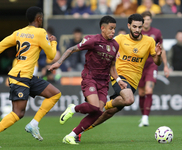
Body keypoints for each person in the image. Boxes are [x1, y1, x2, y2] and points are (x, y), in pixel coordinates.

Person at [73, 13, 163, 142]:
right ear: (129, 26)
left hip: (133, 82)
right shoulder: (119, 39)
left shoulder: (149, 41)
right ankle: (104, 105)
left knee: (109, 113)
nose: (137, 30)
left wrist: (158, 55)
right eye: (134, 26)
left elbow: (157, 62)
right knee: (129, 99)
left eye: (139, 27)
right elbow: (105, 47)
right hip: (119, 77)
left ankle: (78, 132)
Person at [48, 15, 127, 145]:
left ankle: (71, 135)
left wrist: (118, 80)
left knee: (98, 112)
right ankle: (73, 109)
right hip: (90, 78)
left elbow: (112, 67)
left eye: (114, 29)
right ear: (103, 28)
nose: (113, 31)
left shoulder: (115, 45)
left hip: (104, 82)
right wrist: (59, 62)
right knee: (95, 107)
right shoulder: (93, 40)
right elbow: (71, 49)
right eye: (111, 28)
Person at [0, 6, 61, 141]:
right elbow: (51, 56)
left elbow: (1, 45)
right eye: (42, 18)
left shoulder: (19, 32)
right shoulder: (40, 32)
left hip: (26, 76)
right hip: (21, 77)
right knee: (18, 113)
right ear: (39, 19)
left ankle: (34, 124)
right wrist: (54, 42)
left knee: (55, 94)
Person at [138, 11, 170, 127]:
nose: (146, 21)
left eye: (148, 19)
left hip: (152, 64)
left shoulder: (156, 32)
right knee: (141, 93)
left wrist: (166, 65)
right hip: (140, 65)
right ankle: (143, 116)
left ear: (151, 20)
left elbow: (162, 50)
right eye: (144, 19)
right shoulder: (137, 32)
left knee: (149, 90)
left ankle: (146, 118)